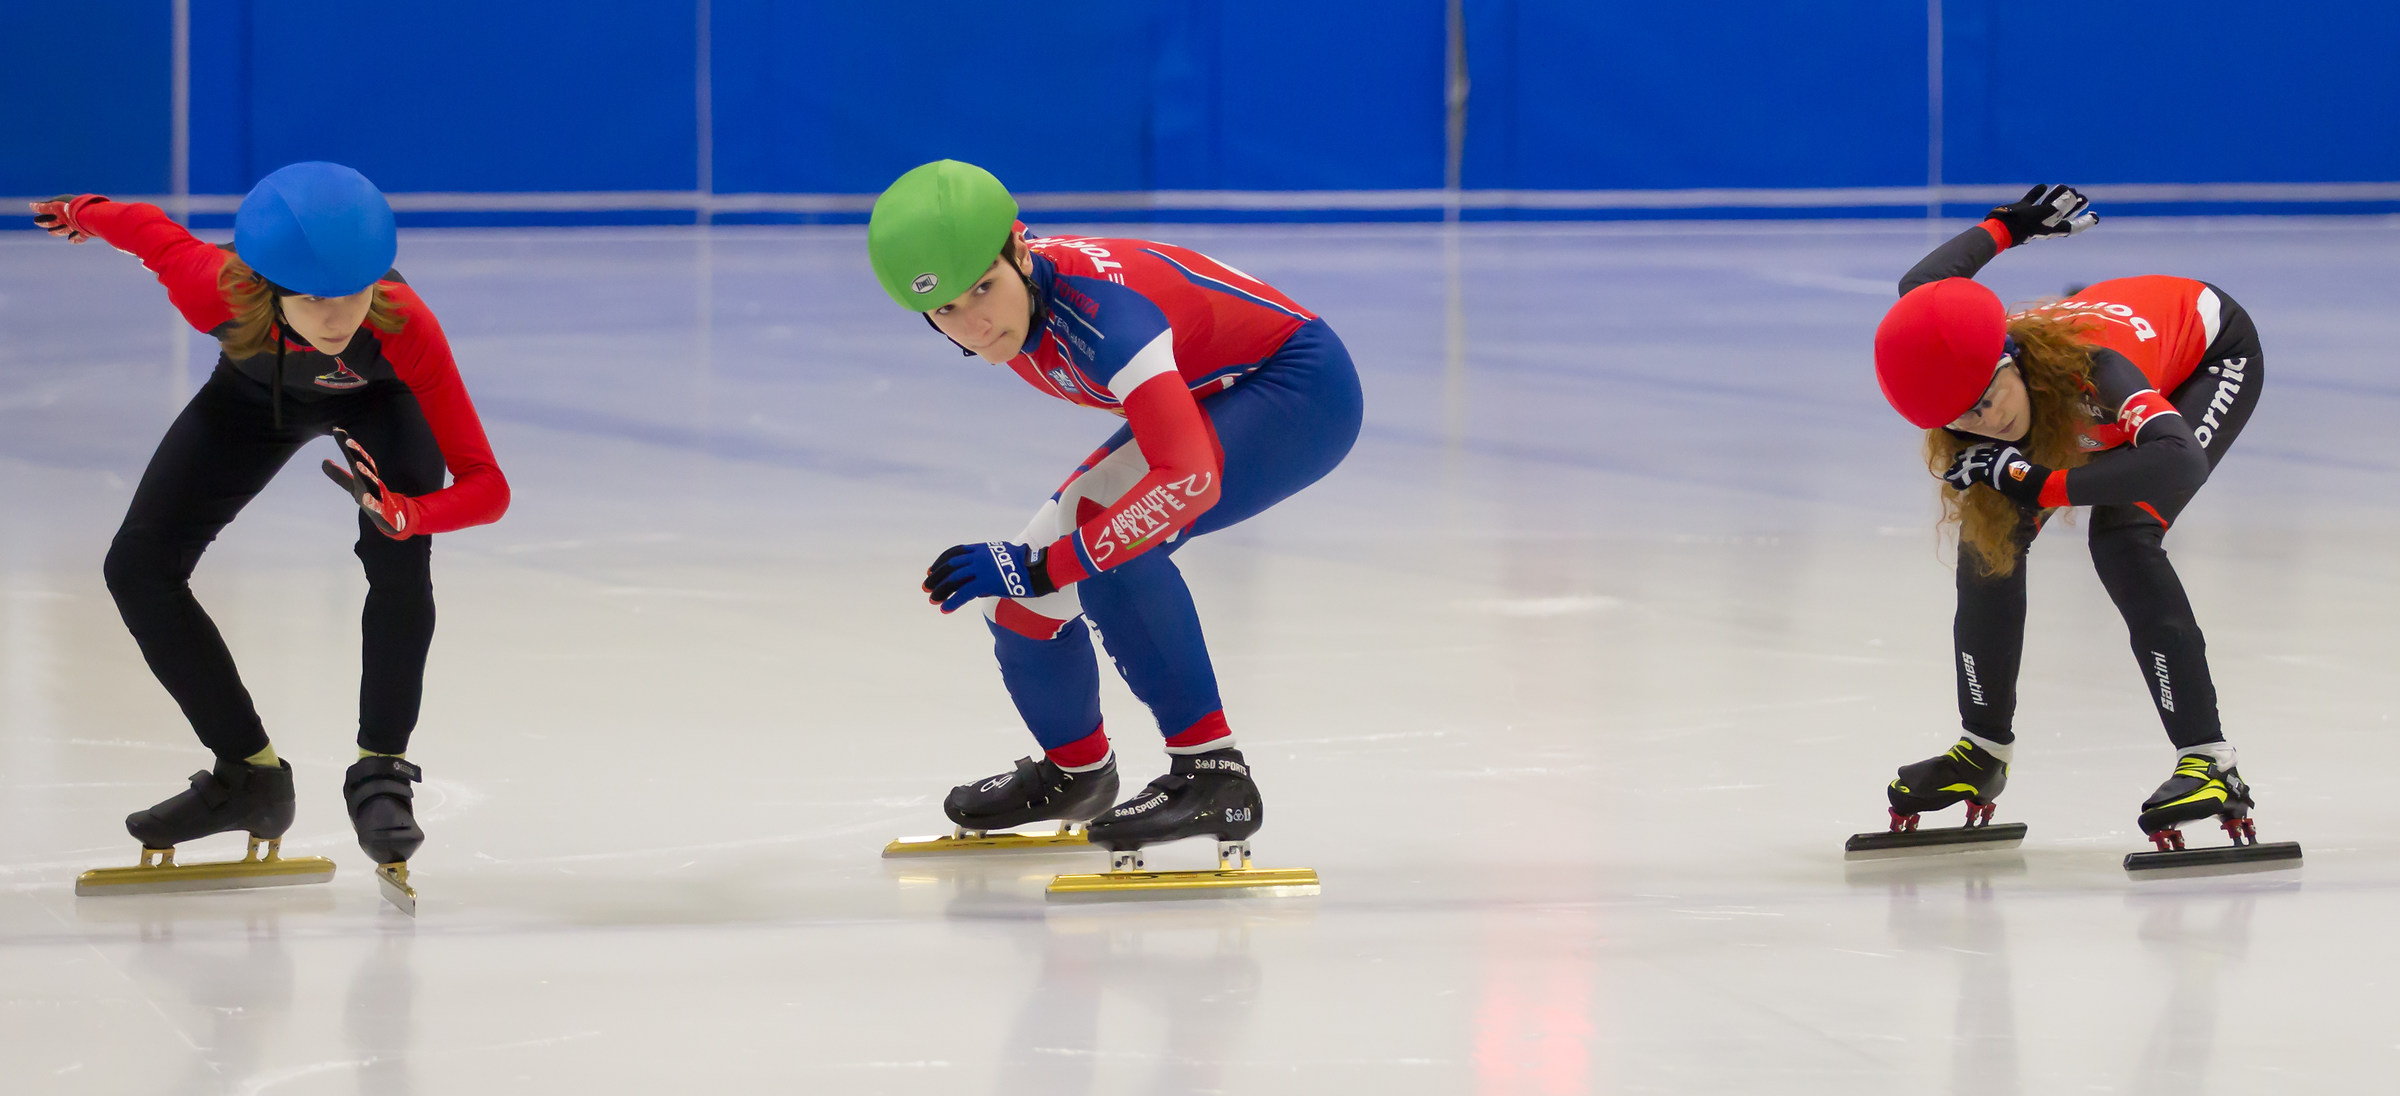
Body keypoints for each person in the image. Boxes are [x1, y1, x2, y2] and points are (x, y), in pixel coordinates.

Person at [31, 162, 509, 893]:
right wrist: (78, 208)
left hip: (378, 403)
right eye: (315, 299)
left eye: (354, 290)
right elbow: (145, 231)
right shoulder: (213, 287)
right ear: (265, 287)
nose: (339, 316)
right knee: (138, 569)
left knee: (399, 558)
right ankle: (247, 775)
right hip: (253, 395)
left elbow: (488, 487)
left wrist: (408, 514)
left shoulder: (402, 323)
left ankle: (380, 770)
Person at [869, 160, 1362, 861]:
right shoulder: (1022, 310)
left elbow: (1186, 480)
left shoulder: (1104, 319)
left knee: (1109, 547)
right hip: (1217, 387)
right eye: (947, 309)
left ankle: (1214, 773)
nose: (976, 323)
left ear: (1021, 248)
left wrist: (1045, 564)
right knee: (1017, 607)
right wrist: (1037, 576)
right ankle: (1078, 774)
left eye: (984, 287)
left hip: (1296, 390)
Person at [1868, 183, 2272, 851]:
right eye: (1964, 417)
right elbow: (1922, 289)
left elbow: (2178, 462)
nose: (1987, 419)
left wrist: (2038, 480)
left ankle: (2211, 763)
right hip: (2101, 374)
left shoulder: (2095, 372)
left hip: (2208, 350)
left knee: (2124, 538)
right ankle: (1982, 751)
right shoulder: (1979, 397)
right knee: (1986, 541)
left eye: (1990, 396)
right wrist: (2005, 226)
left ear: (2010, 360)